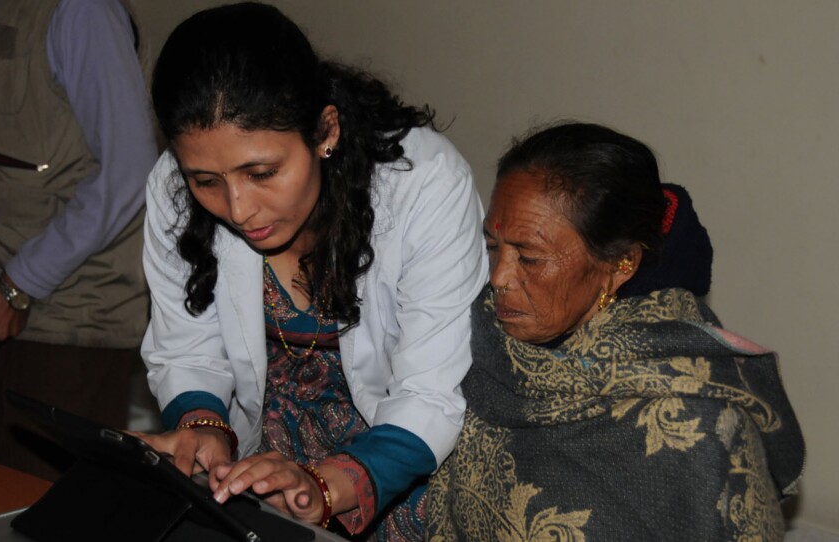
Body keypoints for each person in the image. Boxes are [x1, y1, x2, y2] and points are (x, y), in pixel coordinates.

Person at [138, 2, 487, 539]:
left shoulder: (423, 185)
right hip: (259, 464)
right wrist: (202, 426)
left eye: (262, 172)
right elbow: (186, 348)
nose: (237, 208)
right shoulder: (174, 186)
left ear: (325, 130)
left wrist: (323, 487)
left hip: (400, 461)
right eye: (206, 181)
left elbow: (430, 393)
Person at [426, 122, 805, 541]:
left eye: (529, 258)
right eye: (493, 247)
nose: (498, 277)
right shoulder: (477, 346)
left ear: (621, 264)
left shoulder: (700, 426)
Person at [0, 0, 158, 480]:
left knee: (37, 512)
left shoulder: (80, 11)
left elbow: (129, 171)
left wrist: (15, 285)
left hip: (60, 325)